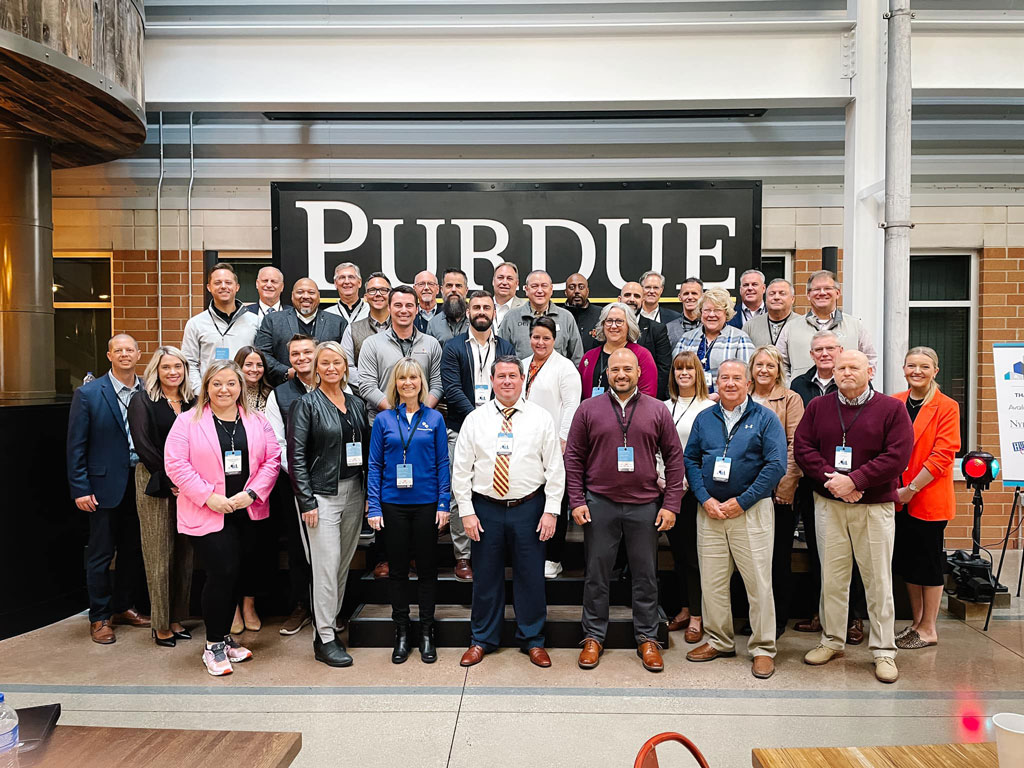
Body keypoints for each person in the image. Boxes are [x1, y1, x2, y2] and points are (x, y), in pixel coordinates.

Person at [793, 351, 913, 684]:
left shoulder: (892, 409)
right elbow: (803, 448)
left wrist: (856, 480)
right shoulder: (819, 407)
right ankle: (831, 640)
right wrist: (834, 480)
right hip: (830, 504)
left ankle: (884, 651)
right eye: (841, 367)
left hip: (874, 508)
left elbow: (898, 456)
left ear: (870, 371)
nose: (846, 372)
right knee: (832, 578)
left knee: (877, 581)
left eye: (854, 367)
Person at [565, 348, 682, 673]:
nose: (621, 374)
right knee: (596, 575)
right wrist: (576, 500)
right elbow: (573, 457)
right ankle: (593, 637)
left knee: (646, 576)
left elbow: (674, 458)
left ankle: (647, 638)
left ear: (638, 373)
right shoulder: (588, 409)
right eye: (615, 369)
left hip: (644, 505)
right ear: (607, 372)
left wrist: (671, 503)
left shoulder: (657, 410)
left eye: (627, 369)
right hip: (599, 504)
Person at [164, 360, 282, 677]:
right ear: (206, 387)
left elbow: (272, 460)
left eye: (231, 383)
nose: (224, 389)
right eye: (216, 383)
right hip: (208, 512)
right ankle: (213, 645)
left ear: (240, 387)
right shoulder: (188, 422)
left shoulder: (257, 421)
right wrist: (209, 497)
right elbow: (175, 465)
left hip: (246, 510)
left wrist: (253, 493)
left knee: (237, 575)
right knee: (221, 573)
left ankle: (225, 638)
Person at [453, 355, 565, 669]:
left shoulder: (541, 418)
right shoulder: (476, 419)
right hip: (485, 510)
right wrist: (466, 512)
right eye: (500, 376)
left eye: (512, 376)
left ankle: (533, 640)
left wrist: (551, 511)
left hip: (529, 508)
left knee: (531, 577)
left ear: (522, 379)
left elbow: (555, 469)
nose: (506, 381)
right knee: (486, 578)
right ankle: (482, 640)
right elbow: (461, 470)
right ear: (491, 381)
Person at [683, 360, 787, 679]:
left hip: (750, 512)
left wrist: (741, 502)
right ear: (716, 382)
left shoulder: (765, 418)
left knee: (757, 582)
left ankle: (763, 648)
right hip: (711, 511)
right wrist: (705, 498)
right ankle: (720, 641)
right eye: (724, 377)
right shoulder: (705, 418)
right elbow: (691, 458)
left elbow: (776, 466)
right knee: (712, 583)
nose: (730, 383)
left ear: (748, 383)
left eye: (736, 378)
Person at [288, 342, 370, 667]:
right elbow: (296, 457)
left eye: (337, 362)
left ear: (345, 366)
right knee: (324, 567)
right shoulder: (305, 404)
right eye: (325, 363)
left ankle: (331, 621)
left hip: (354, 492)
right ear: (316, 368)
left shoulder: (357, 404)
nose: (331, 368)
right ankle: (323, 638)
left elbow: (363, 451)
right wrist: (306, 500)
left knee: (341, 564)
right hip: (320, 497)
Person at [67, 334, 149, 644]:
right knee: (101, 554)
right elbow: (76, 445)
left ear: (139, 354)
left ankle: (124, 606)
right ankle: (99, 616)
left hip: (139, 482)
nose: (125, 355)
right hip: (102, 486)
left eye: (130, 350)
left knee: (132, 550)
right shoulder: (88, 394)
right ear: (109, 355)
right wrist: (80, 488)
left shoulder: (147, 390)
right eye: (119, 350)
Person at [358, 285, 444, 579]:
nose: (404, 310)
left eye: (410, 305)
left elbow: (437, 383)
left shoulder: (431, 344)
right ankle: (386, 556)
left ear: (417, 308)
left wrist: (421, 413)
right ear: (389, 308)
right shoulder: (372, 344)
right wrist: (396, 412)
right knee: (387, 492)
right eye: (398, 305)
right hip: (383, 425)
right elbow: (366, 385)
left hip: (421, 427)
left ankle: (418, 556)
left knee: (420, 485)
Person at [367, 359, 451, 664]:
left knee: (428, 570)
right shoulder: (384, 420)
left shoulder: (435, 419)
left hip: (428, 503)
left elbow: (443, 462)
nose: (408, 383)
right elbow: (374, 465)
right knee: (399, 571)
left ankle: (427, 631)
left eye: (413, 377)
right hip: (393, 505)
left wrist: (444, 502)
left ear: (421, 382)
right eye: (402, 378)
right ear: (396, 383)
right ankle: (401, 631)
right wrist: (374, 505)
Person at [789, 331, 868, 643]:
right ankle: (821, 613)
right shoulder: (799, 385)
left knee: (856, 555)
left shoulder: (853, 382)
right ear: (811, 355)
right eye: (818, 349)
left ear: (840, 351)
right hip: (816, 482)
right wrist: (827, 478)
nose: (824, 354)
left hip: (855, 486)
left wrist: (850, 482)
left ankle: (853, 618)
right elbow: (803, 440)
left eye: (830, 349)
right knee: (820, 552)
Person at [440, 290, 518, 582]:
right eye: (477, 307)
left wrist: (492, 418)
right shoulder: (453, 347)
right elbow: (451, 388)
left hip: (502, 429)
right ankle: (463, 556)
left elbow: (509, 385)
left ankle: (492, 554)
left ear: (494, 312)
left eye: (487, 307)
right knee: (460, 494)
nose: (482, 311)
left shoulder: (506, 347)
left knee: (494, 490)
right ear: (468, 312)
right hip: (461, 428)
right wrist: (478, 418)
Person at [127, 346, 196, 647]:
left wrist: (190, 480)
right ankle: (160, 624)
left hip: (189, 485)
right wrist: (172, 479)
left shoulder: (193, 401)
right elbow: (143, 446)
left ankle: (177, 617)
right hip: (156, 481)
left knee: (185, 553)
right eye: (166, 367)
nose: (173, 372)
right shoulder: (142, 400)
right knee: (159, 554)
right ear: (156, 370)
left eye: (178, 367)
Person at [893, 347, 960, 650]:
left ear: (936, 371)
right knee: (908, 562)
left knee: (929, 563)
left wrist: (911, 489)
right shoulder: (894, 402)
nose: (916, 371)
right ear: (904, 369)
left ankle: (929, 627)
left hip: (927, 495)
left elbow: (943, 455)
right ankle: (917, 624)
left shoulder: (946, 406)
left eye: (924, 366)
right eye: (911, 365)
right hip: (896, 497)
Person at [748, 346, 805, 637]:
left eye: (770, 366)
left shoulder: (790, 398)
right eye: (759, 365)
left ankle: (777, 618)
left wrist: (787, 482)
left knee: (777, 556)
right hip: (745, 491)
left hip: (777, 491)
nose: (764, 370)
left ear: (778, 369)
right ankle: (751, 617)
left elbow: (796, 443)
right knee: (749, 558)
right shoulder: (740, 397)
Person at [264, 334, 318, 636]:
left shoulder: (334, 385)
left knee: (331, 546)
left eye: (306, 352)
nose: (301, 358)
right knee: (299, 547)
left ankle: (331, 607)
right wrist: (300, 475)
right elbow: (277, 442)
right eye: (295, 354)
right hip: (294, 482)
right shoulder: (280, 394)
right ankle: (301, 605)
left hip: (332, 481)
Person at [522, 316, 582, 579]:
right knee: (531, 503)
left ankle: (553, 557)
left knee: (553, 501)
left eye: (546, 338)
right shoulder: (522, 365)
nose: (540, 342)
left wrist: (563, 439)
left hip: (555, 446)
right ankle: (532, 553)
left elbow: (571, 406)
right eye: (536, 337)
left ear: (554, 340)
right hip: (525, 446)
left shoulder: (565, 367)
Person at [661, 351, 714, 644]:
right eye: (679, 369)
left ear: (698, 374)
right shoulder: (664, 406)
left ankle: (697, 615)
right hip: (667, 490)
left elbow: (708, 451)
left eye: (689, 369)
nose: (684, 374)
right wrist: (661, 477)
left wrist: (689, 481)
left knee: (695, 558)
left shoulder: (708, 407)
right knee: (678, 557)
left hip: (694, 491)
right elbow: (658, 448)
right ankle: (683, 609)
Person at [776, 270, 877, 379]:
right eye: (816, 289)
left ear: (837, 293)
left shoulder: (855, 326)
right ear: (809, 295)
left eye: (828, 288)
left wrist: (857, 386)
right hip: (802, 395)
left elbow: (870, 359)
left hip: (844, 394)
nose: (822, 293)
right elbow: (779, 363)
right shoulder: (791, 327)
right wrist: (790, 386)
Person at [182, 263, 261, 393]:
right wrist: (200, 392)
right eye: (217, 283)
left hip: (246, 394)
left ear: (237, 287)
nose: (223, 286)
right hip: (209, 395)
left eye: (228, 282)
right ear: (209, 287)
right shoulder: (195, 323)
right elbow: (189, 363)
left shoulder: (255, 321)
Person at [256, 278, 346, 387]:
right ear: (292, 296)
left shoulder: (337, 322)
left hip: (327, 388)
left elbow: (345, 356)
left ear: (318, 296)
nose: (306, 296)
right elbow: (262, 352)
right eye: (300, 292)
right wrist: (286, 372)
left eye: (311, 292)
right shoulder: (273, 320)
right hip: (285, 387)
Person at [673, 287, 754, 395]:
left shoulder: (740, 338)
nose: (711, 315)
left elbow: (749, 376)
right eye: (707, 310)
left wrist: (719, 397)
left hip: (727, 403)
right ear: (701, 312)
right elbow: (675, 371)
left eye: (717, 310)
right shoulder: (687, 339)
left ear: (726, 313)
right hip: (691, 401)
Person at [499, 270, 584, 365]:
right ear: (526, 290)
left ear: (551, 289)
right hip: (522, 378)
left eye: (544, 286)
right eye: (534, 286)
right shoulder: (511, 318)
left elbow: (578, 358)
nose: (540, 291)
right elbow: (501, 355)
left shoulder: (566, 318)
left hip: (558, 379)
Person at [578, 302, 658, 401]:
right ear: (602, 325)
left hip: (630, 415)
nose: (613, 326)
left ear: (629, 325)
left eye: (619, 321)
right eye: (609, 321)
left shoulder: (642, 355)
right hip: (593, 414)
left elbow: (648, 395)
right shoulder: (589, 357)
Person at [618, 281, 672, 399]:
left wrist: (651, 399)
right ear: (619, 299)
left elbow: (664, 369)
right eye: (627, 295)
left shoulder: (657, 329)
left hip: (648, 397)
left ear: (642, 301)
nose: (631, 299)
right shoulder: (610, 329)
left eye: (636, 296)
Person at [341, 272, 392, 385]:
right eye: (372, 290)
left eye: (383, 290)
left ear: (391, 295)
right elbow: (346, 366)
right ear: (365, 297)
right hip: (363, 397)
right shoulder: (352, 330)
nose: (378, 294)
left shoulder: (403, 327)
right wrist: (371, 386)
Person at [744, 279, 799, 350]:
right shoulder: (750, 326)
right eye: (772, 294)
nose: (776, 297)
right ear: (766, 299)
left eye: (782, 293)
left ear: (792, 299)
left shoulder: (802, 325)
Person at [563, 272, 602, 353]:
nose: (577, 291)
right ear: (565, 292)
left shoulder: (601, 314)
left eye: (581, 287)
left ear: (587, 291)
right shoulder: (559, 316)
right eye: (571, 287)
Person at [325, 262, 369, 327]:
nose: (346, 281)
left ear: (359, 282)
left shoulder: (371, 311)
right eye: (342, 277)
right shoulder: (327, 315)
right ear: (335, 284)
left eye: (351, 277)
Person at [665, 276, 704, 350]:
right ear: (680, 297)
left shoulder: (710, 325)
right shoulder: (668, 328)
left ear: (702, 296)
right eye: (686, 293)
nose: (690, 297)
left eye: (694, 293)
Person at [234, 346, 272, 413]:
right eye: (248, 365)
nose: (255, 369)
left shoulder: (270, 395)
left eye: (259, 365)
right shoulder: (230, 393)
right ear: (239, 366)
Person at [492, 261, 528, 327]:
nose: (504, 282)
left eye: (509, 278)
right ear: (493, 281)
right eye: (500, 277)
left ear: (517, 283)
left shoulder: (527, 308)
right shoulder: (482, 307)